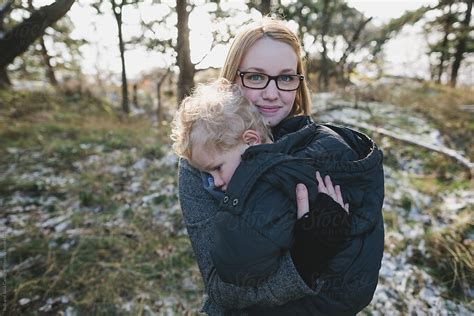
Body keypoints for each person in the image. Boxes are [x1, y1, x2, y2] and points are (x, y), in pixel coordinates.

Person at [177, 17, 384, 315]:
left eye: (286, 78)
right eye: (256, 77)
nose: (272, 93)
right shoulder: (202, 162)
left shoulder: (321, 150)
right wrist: (306, 259)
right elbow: (222, 289)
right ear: (232, 79)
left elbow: (359, 260)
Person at [171, 79, 354, 288]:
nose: (215, 182)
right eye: (208, 174)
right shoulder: (239, 180)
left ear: (250, 142)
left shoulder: (279, 178)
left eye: (218, 168)